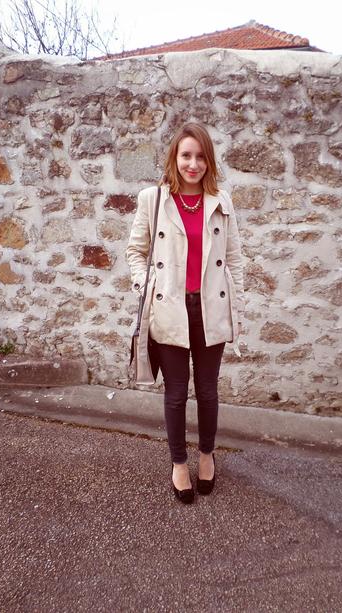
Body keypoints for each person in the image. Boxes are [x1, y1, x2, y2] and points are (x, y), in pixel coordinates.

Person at [125, 122, 244, 504]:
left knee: (207, 392)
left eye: (200, 157)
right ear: (174, 159)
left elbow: (236, 259)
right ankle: (179, 463)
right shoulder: (153, 199)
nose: (193, 164)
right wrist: (147, 288)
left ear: (209, 161)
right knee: (176, 394)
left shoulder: (221, 202)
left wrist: (234, 301)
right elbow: (135, 251)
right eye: (186, 155)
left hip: (209, 308)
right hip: (170, 307)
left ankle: (207, 456)